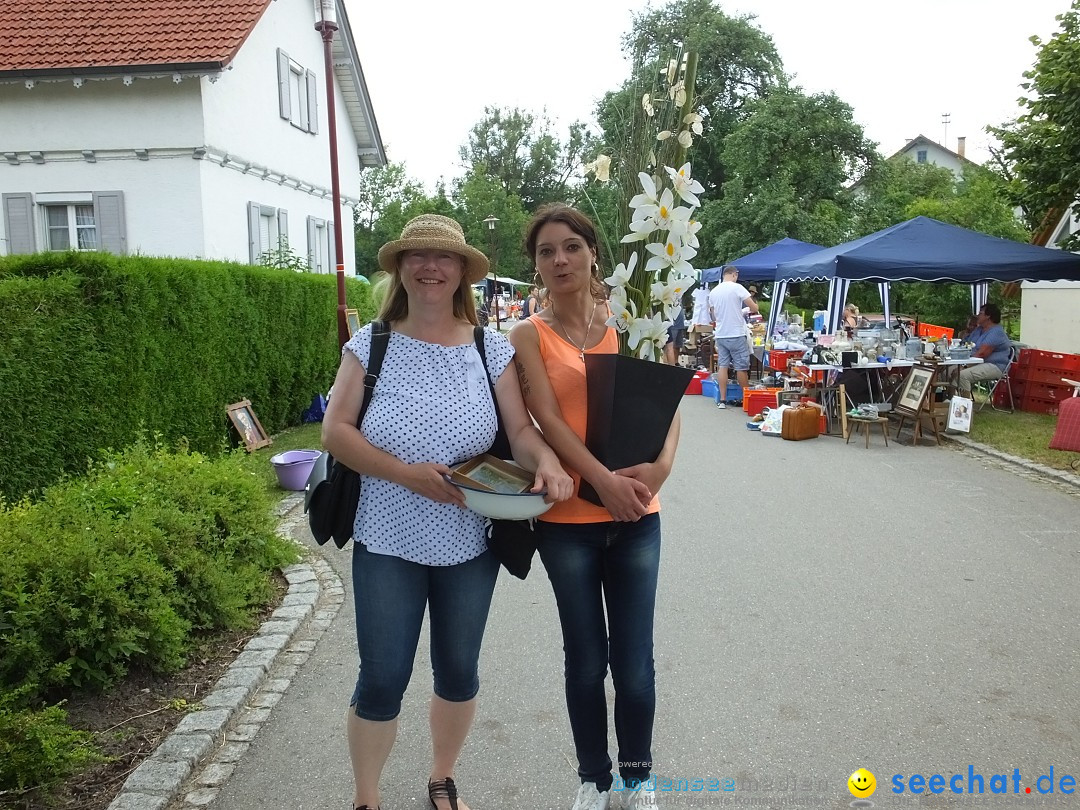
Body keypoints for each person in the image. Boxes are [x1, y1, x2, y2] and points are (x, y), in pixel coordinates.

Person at [321, 213, 573, 810]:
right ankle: (366, 796)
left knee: (458, 671)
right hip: (386, 536)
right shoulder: (372, 345)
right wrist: (406, 474)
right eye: (418, 256)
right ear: (400, 268)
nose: (430, 267)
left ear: (461, 271)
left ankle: (441, 777)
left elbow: (519, 428)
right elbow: (335, 431)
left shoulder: (489, 347)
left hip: (468, 539)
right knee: (382, 676)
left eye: (443, 258)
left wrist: (547, 463)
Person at [509, 203, 680, 810]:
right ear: (536, 267)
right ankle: (593, 778)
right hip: (568, 525)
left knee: (634, 661)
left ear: (593, 253)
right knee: (585, 659)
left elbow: (668, 407)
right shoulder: (528, 333)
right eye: (546, 252)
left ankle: (637, 780)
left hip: (636, 517)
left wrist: (659, 470)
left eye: (570, 247)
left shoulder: (631, 326)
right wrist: (600, 481)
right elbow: (547, 420)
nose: (559, 260)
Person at [708, 265, 758, 409]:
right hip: (736, 333)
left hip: (721, 333)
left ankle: (722, 400)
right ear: (734, 274)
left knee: (723, 366)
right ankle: (747, 400)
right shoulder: (738, 288)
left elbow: (712, 314)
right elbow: (754, 308)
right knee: (741, 367)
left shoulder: (714, 292)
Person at [957, 302, 1012, 397]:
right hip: (976, 362)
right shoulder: (979, 330)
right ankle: (949, 401)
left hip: (995, 365)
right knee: (947, 371)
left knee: (962, 375)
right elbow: (965, 343)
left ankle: (964, 407)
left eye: (980, 313)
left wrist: (964, 365)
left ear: (988, 316)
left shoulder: (996, 332)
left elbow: (982, 354)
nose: (977, 315)